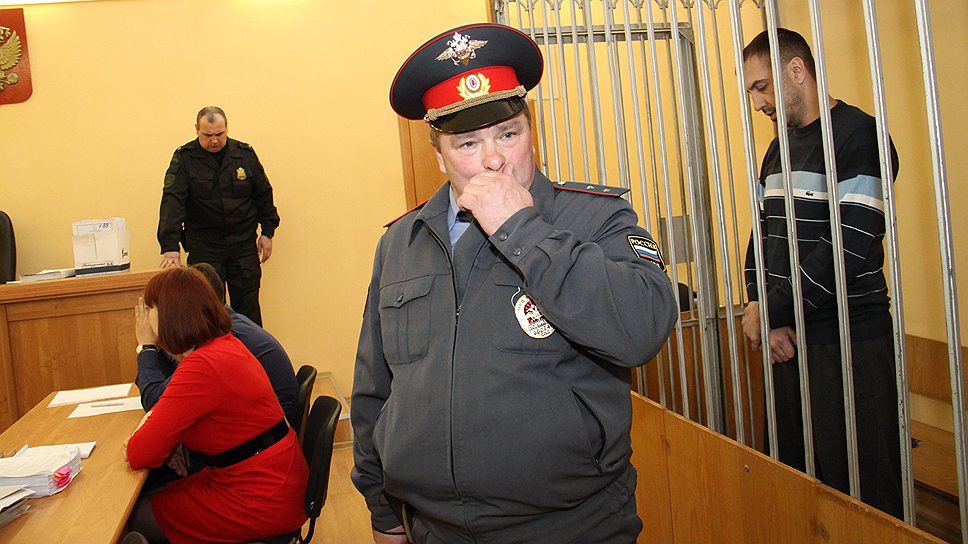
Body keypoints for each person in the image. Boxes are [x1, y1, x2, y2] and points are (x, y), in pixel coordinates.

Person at [351, 23, 679, 544]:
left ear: (530, 131)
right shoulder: (400, 242)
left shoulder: (595, 218)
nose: (494, 160)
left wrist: (521, 228)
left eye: (508, 134)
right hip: (435, 528)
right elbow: (375, 385)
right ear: (439, 155)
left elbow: (643, 328)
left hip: (571, 526)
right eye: (467, 143)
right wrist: (381, 507)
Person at [740, 28, 902, 518]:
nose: (758, 103)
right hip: (789, 342)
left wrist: (771, 311)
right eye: (751, 92)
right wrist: (758, 303)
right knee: (797, 493)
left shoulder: (860, 137)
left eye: (762, 86)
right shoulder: (778, 150)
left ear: (797, 70)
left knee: (864, 499)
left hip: (849, 344)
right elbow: (761, 236)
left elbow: (845, 250)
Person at [123, 267, 307, 543]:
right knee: (159, 493)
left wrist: (145, 434)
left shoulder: (202, 365)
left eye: (149, 308)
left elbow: (140, 453)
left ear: (169, 314)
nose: (145, 318)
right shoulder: (225, 345)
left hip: (260, 495)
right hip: (272, 479)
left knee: (136, 514)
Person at [157, 106, 280, 326]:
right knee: (207, 311)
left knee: (248, 310)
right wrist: (170, 245)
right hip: (205, 246)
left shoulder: (244, 154)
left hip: (242, 245)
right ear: (197, 129)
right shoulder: (184, 159)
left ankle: (250, 349)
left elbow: (263, 193)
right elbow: (173, 201)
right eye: (207, 135)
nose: (214, 140)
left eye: (219, 134)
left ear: (227, 129)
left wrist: (267, 232)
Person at [135, 263, 297, 414]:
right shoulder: (229, 325)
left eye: (151, 309)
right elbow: (182, 379)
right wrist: (155, 347)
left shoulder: (225, 336)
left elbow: (156, 403)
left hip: (271, 424)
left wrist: (147, 346)